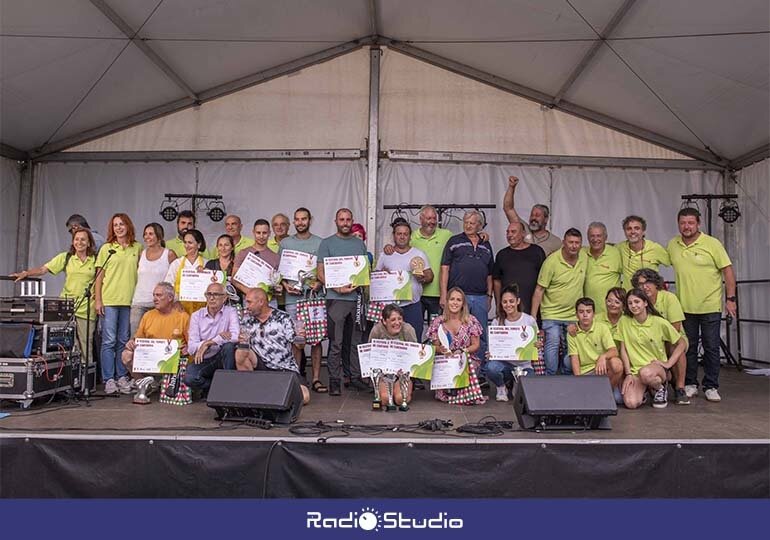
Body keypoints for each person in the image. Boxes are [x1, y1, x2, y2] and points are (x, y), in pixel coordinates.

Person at [667, 207, 737, 403]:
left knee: (711, 347)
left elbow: (728, 271)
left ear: (698, 223)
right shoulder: (673, 244)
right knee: (688, 347)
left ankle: (711, 386)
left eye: (690, 222)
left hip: (710, 306)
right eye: (682, 223)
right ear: (678, 224)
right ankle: (690, 384)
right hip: (684, 308)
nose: (686, 226)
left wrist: (730, 299)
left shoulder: (712, 244)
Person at [12, 228, 97, 366]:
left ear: (89, 243)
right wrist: (26, 273)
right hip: (67, 307)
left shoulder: (95, 259)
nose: (79, 242)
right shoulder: (66, 257)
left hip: (87, 308)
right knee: (68, 344)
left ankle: (85, 379)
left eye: (83, 239)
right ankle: (70, 376)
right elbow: (43, 269)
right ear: (72, 242)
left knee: (86, 344)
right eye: (76, 239)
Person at [317, 208, 370, 395]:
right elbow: (320, 272)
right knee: (336, 342)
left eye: (348, 219)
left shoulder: (359, 244)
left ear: (352, 220)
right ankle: (334, 380)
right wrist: (337, 287)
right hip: (335, 299)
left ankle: (354, 377)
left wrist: (361, 284)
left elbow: (363, 271)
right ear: (336, 221)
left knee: (355, 341)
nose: (345, 222)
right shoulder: (327, 243)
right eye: (342, 219)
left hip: (355, 299)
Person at [235, 288, 310, 405]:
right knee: (240, 351)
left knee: (304, 397)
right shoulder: (247, 320)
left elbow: (298, 346)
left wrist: (302, 339)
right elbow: (244, 347)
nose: (246, 306)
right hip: (261, 366)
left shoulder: (283, 318)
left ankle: (270, 394)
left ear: (261, 302)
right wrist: (241, 341)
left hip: (284, 367)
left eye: (249, 302)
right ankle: (249, 390)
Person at [94, 213, 142, 395]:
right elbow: (99, 276)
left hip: (129, 300)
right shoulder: (107, 248)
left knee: (124, 340)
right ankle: (108, 379)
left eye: (121, 224)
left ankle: (122, 376)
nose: (119, 228)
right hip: (110, 300)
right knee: (108, 341)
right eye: (115, 225)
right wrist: (98, 300)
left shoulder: (137, 247)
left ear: (128, 225)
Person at [279, 207, 325, 392]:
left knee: (316, 340)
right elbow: (280, 270)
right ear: (293, 221)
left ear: (310, 220)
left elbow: (324, 269)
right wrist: (284, 285)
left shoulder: (321, 243)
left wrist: (320, 284)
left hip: (315, 298)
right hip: (293, 298)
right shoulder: (285, 243)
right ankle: (296, 377)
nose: (300, 222)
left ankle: (315, 379)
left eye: (303, 219)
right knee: (296, 339)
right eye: (297, 219)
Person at [530, 228, 587, 375]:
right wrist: (532, 318)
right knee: (553, 343)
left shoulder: (584, 257)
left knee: (572, 347)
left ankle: (567, 375)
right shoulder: (551, 261)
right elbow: (539, 290)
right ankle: (551, 376)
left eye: (577, 243)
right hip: (551, 313)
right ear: (563, 243)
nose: (574, 246)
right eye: (570, 242)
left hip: (573, 315)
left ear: (581, 245)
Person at [618, 288, 687, 409]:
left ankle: (660, 388)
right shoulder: (624, 321)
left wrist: (668, 363)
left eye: (637, 302)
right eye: (630, 303)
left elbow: (681, 343)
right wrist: (628, 373)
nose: (633, 306)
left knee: (645, 373)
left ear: (645, 303)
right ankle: (647, 389)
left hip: (655, 368)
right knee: (631, 403)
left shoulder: (659, 322)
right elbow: (623, 350)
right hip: (636, 370)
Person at [440, 210, 494, 360]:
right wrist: (444, 295)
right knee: (456, 333)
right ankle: (455, 366)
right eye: (466, 222)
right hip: (458, 297)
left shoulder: (486, 244)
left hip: (480, 297)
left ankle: (480, 373)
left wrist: (489, 296)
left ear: (479, 226)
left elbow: (490, 273)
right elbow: (444, 268)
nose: (468, 226)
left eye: (472, 223)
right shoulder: (454, 241)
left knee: (480, 334)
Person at [632, 268, 689, 405]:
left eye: (648, 282)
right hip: (649, 341)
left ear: (656, 283)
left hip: (671, 338)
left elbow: (675, 330)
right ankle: (654, 384)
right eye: (640, 284)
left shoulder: (669, 298)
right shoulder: (637, 301)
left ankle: (680, 388)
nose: (644, 287)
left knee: (674, 345)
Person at [121, 282, 190, 393]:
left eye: (159, 295)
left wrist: (187, 348)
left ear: (170, 298)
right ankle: (143, 385)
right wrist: (131, 343)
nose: (155, 299)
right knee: (126, 354)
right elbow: (138, 339)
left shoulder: (183, 317)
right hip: (150, 360)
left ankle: (169, 385)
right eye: (154, 295)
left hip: (172, 362)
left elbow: (191, 343)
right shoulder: (148, 316)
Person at [374, 220, 433, 340]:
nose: (402, 236)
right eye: (399, 233)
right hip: (390, 307)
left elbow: (430, 276)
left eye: (405, 234)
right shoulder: (385, 255)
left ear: (410, 236)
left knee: (414, 339)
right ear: (393, 235)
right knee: (388, 342)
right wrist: (381, 275)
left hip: (412, 305)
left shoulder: (419, 254)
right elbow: (375, 279)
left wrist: (422, 277)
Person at [427, 287, 486, 405]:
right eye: (452, 299)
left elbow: (476, 345)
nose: (455, 302)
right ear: (447, 301)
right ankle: (450, 392)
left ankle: (463, 393)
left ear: (463, 303)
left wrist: (462, 351)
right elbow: (435, 347)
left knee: (470, 367)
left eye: (458, 300)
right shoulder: (438, 321)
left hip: (465, 358)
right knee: (441, 391)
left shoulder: (471, 320)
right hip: (444, 359)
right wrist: (441, 349)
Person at [485, 284, 538, 402]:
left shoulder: (529, 320)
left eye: (511, 301)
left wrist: (537, 345)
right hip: (505, 366)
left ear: (518, 301)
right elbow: (492, 346)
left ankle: (517, 383)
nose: (508, 305)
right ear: (501, 304)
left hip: (524, 365)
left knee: (529, 383)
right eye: (505, 302)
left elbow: (536, 341)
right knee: (491, 367)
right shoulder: (496, 322)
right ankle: (501, 387)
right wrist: (491, 353)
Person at [184, 282, 238, 397]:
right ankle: (215, 386)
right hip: (204, 359)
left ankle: (228, 390)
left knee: (229, 347)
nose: (212, 298)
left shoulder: (231, 312)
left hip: (222, 356)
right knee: (189, 378)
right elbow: (192, 347)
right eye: (209, 294)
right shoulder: (196, 316)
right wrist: (205, 344)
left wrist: (210, 342)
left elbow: (235, 336)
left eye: (216, 294)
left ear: (224, 298)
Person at [567, 297, 623, 401]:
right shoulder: (572, 332)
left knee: (617, 364)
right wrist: (579, 382)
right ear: (576, 315)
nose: (585, 315)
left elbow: (614, 351)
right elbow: (574, 358)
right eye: (581, 312)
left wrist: (603, 357)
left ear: (594, 314)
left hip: (601, 370)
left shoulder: (602, 328)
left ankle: (606, 391)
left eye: (588, 311)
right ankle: (596, 393)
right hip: (585, 373)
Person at [492, 220, 546, 315]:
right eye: (507, 232)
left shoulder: (537, 252)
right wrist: (498, 305)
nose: (509, 235)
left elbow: (544, 280)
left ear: (523, 234)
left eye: (513, 231)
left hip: (533, 308)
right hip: (509, 309)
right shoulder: (502, 255)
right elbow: (496, 282)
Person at [130, 223, 176, 335]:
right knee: (136, 337)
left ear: (159, 236)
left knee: (159, 337)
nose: (147, 237)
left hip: (161, 304)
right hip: (139, 302)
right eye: (145, 234)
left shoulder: (169, 254)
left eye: (151, 234)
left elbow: (176, 277)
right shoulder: (141, 254)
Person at [368, 304, 417, 405]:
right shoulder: (377, 331)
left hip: (402, 374)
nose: (397, 322)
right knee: (385, 400)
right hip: (384, 375)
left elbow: (415, 354)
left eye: (400, 319)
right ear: (385, 321)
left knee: (400, 399)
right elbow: (370, 354)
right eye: (393, 319)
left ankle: (403, 388)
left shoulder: (408, 330)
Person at [503, 175, 562, 255]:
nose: (533, 218)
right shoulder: (522, 229)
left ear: (546, 219)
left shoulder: (556, 242)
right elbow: (508, 208)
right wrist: (511, 187)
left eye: (537, 215)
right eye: (532, 215)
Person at [232, 219, 281, 304]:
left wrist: (277, 289)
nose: (261, 236)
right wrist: (249, 292)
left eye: (264, 233)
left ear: (269, 233)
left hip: (269, 302)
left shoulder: (275, 257)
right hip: (249, 300)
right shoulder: (243, 253)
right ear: (253, 232)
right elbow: (234, 279)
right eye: (258, 233)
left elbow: (276, 283)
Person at [163, 229, 209, 315]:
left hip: (202, 310)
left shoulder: (207, 263)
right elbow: (168, 286)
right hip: (180, 310)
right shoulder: (177, 263)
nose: (187, 246)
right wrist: (176, 301)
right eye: (185, 242)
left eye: (190, 243)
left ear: (199, 245)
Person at [617, 215, 670, 288]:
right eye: (629, 229)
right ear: (624, 232)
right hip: (629, 297)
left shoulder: (655, 248)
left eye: (637, 228)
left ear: (643, 231)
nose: (633, 232)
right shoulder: (619, 248)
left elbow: (674, 262)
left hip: (649, 297)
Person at [583, 222, 622, 315]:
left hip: (611, 312)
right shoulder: (581, 253)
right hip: (588, 313)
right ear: (587, 237)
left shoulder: (616, 253)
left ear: (606, 237)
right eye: (592, 236)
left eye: (599, 236)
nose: (595, 239)